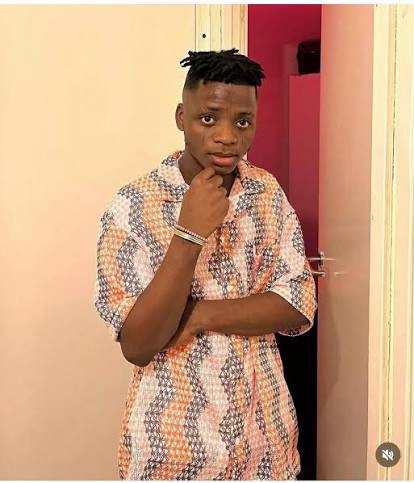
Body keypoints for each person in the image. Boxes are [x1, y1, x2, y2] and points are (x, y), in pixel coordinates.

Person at [93, 49, 317, 480]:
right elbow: (138, 344)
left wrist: (196, 315)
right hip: (172, 449)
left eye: (243, 122)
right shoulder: (133, 207)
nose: (227, 136)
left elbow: (297, 303)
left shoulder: (267, 194)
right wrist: (189, 233)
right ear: (182, 117)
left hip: (265, 440)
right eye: (209, 118)